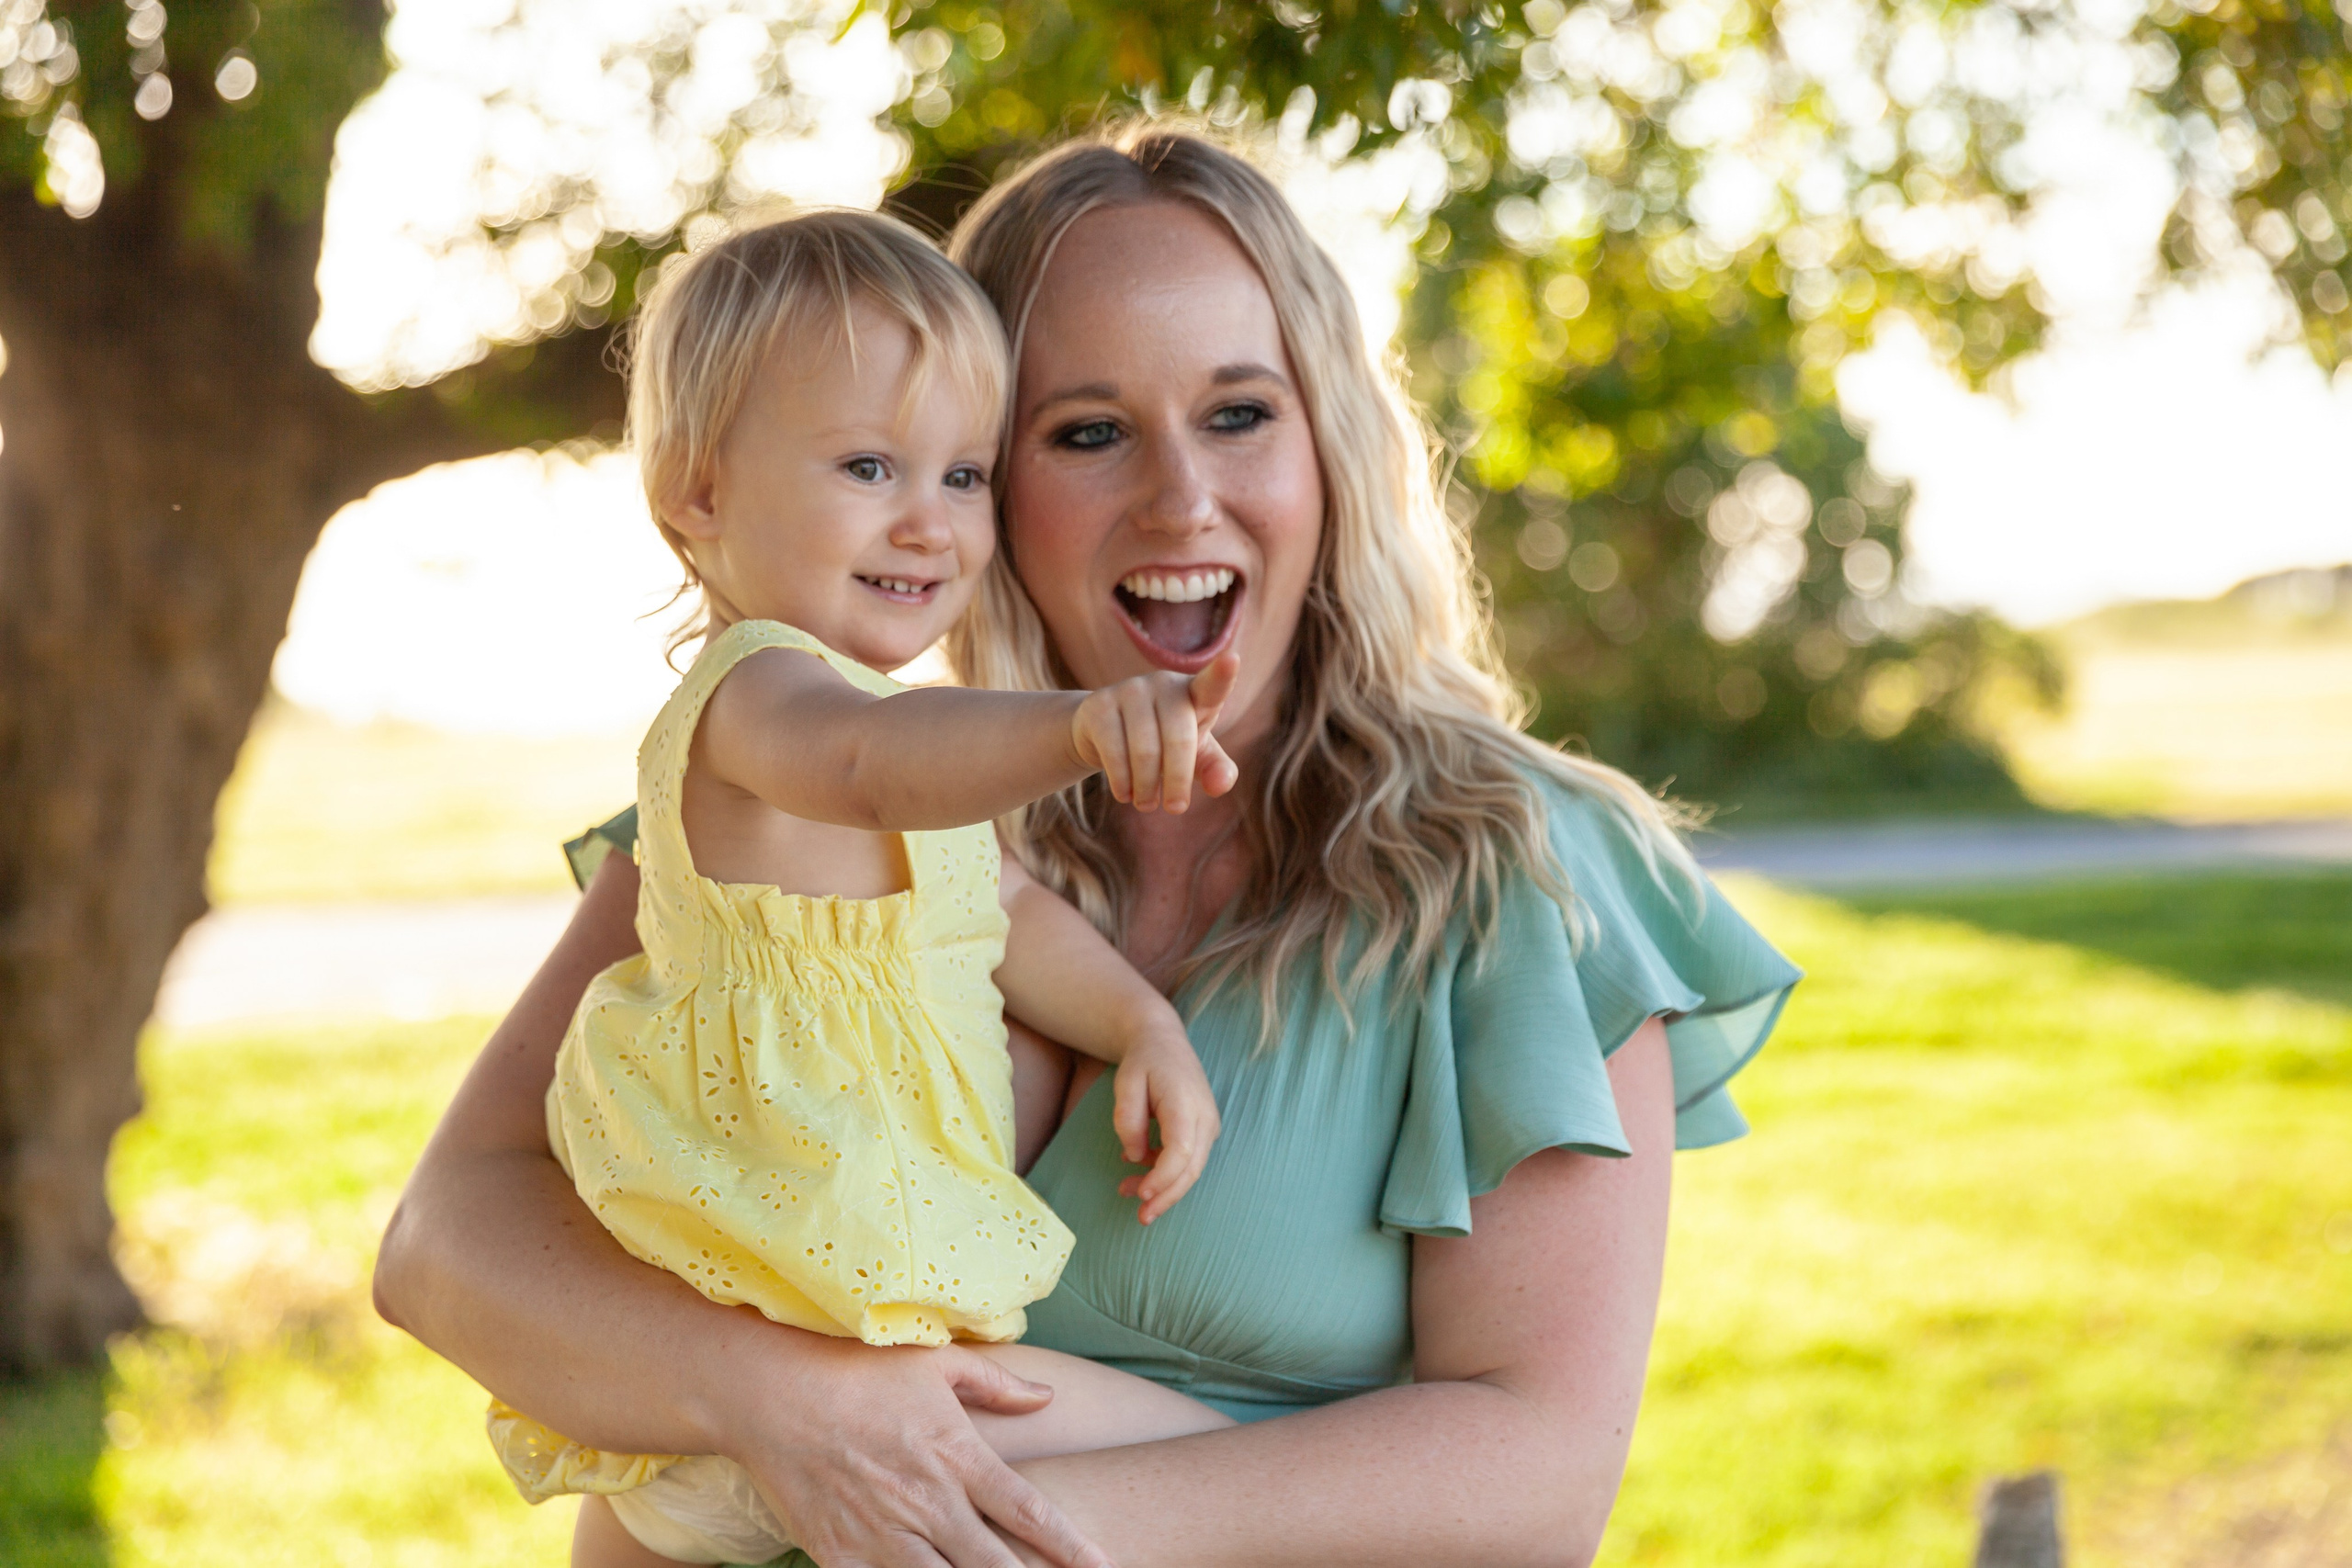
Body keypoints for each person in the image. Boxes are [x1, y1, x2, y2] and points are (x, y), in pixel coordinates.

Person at [377, 125, 1801, 1568]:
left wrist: (963, 1525)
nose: (1180, 497)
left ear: (1332, 447)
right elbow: (446, 1243)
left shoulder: (1522, 872)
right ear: (984, 477)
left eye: (1241, 413)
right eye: (1087, 432)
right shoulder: (794, 806)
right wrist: (785, 1410)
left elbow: (1538, 1474)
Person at [500, 209, 1236, 1567]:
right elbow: (872, 764)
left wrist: (1142, 1024)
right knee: (1235, 1479)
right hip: (782, 1359)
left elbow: (1004, 917)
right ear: (698, 492)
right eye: (868, 466)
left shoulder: (899, 744)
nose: (931, 522)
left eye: (963, 476)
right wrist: (1082, 726)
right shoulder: (757, 696)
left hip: (835, 1359)